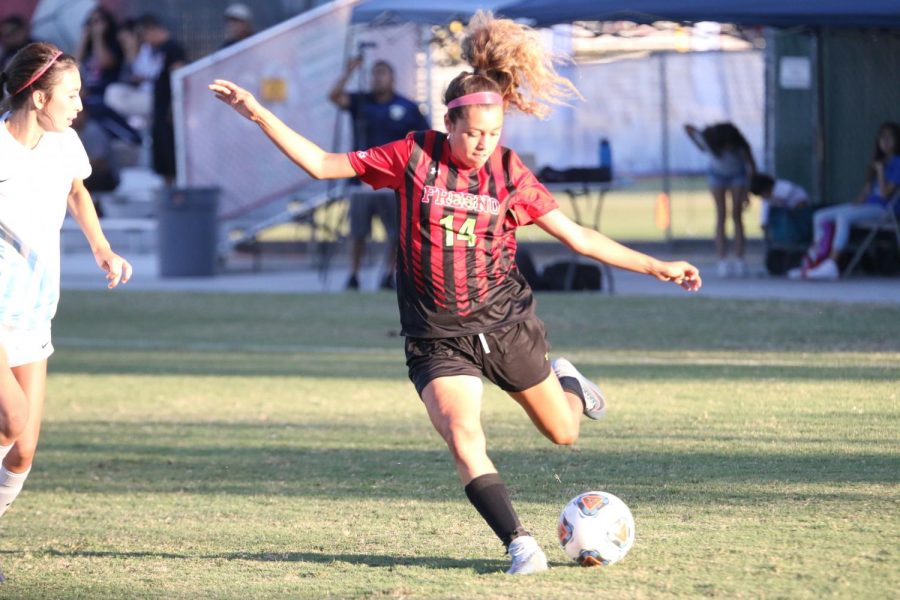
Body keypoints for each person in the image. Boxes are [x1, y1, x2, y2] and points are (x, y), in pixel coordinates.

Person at [210, 11, 700, 575]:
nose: (482, 144)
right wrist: (257, 113)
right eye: (473, 134)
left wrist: (656, 265)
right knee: (463, 434)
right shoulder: (412, 155)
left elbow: (579, 236)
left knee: (564, 434)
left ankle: (566, 378)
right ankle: (520, 544)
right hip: (436, 336)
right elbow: (323, 165)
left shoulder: (511, 173)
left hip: (504, 324)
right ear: (450, 123)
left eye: (493, 135)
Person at [0, 41, 132, 583]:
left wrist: (102, 247)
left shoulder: (64, 144)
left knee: (24, 450)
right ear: (37, 98)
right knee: (13, 418)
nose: (80, 104)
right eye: (71, 95)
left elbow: (77, 191)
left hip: (33, 310)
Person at [328, 56, 429, 290]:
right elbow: (334, 97)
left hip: (393, 182)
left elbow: (422, 140)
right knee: (358, 232)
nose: (378, 78)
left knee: (396, 233)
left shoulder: (408, 107)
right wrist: (349, 71)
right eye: (375, 73)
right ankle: (353, 276)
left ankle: (388, 275)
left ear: (392, 78)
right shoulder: (361, 102)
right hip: (361, 178)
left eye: (383, 73)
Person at [788, 121, 900, 281]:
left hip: (884, 210)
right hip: (868, 206)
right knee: (820, 216)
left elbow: (884, 194)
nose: (885, 141)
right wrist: (855, 203)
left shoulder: (897, 162)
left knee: (843, 218)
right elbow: (866, 192)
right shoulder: (879, 161)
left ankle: (832, 265)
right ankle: (814, 261)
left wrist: (881, 171)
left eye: (890, 137)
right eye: (882, 137)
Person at [685, 121, 757, 277]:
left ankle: (740, 260)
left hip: (738, 175)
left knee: (737, 216)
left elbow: (752, 166)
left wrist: (747, 192)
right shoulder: (709, 140)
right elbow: (688, 127)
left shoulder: (741, 146)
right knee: (721, 215)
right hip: (717, 176)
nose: (728, 148)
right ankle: (722, 261)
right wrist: (700, 138)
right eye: (725, 145)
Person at [135, 14, 186, 185]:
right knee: (161, 149)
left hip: (169, 109)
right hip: (159, 107)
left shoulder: (173, 48)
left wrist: (174, 106)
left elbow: (178, 77)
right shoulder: (159, 50)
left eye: (145, 35)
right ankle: (167, 186)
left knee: (171, 149)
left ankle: (177, 187)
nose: (145, 40)